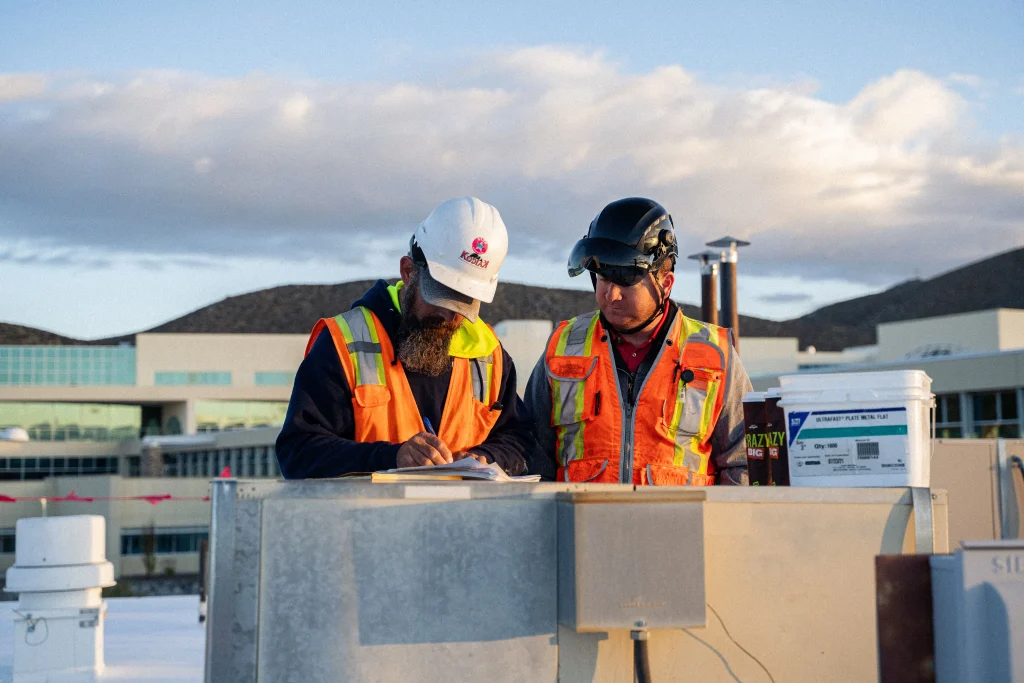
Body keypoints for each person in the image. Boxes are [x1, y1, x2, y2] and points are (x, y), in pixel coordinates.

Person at [276, 196, 534, 478]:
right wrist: (391, 457)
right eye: (441, 297)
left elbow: (521, 441)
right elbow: (298, 451)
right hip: (363, 521)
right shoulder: (343, 345)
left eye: (463, 304)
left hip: (462, 521)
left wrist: (484, 458)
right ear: (408, 272)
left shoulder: (490, 356)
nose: (449, 317)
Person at [524, 197, 752, 484]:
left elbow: (744, 461)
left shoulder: (716, 355)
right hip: (582, 528)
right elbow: (532, 455)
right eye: (603, 279)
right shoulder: (562, 347)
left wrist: (716, 527)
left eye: (626, 282)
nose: (611, 295)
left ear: (665, 284)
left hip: (684, 529)